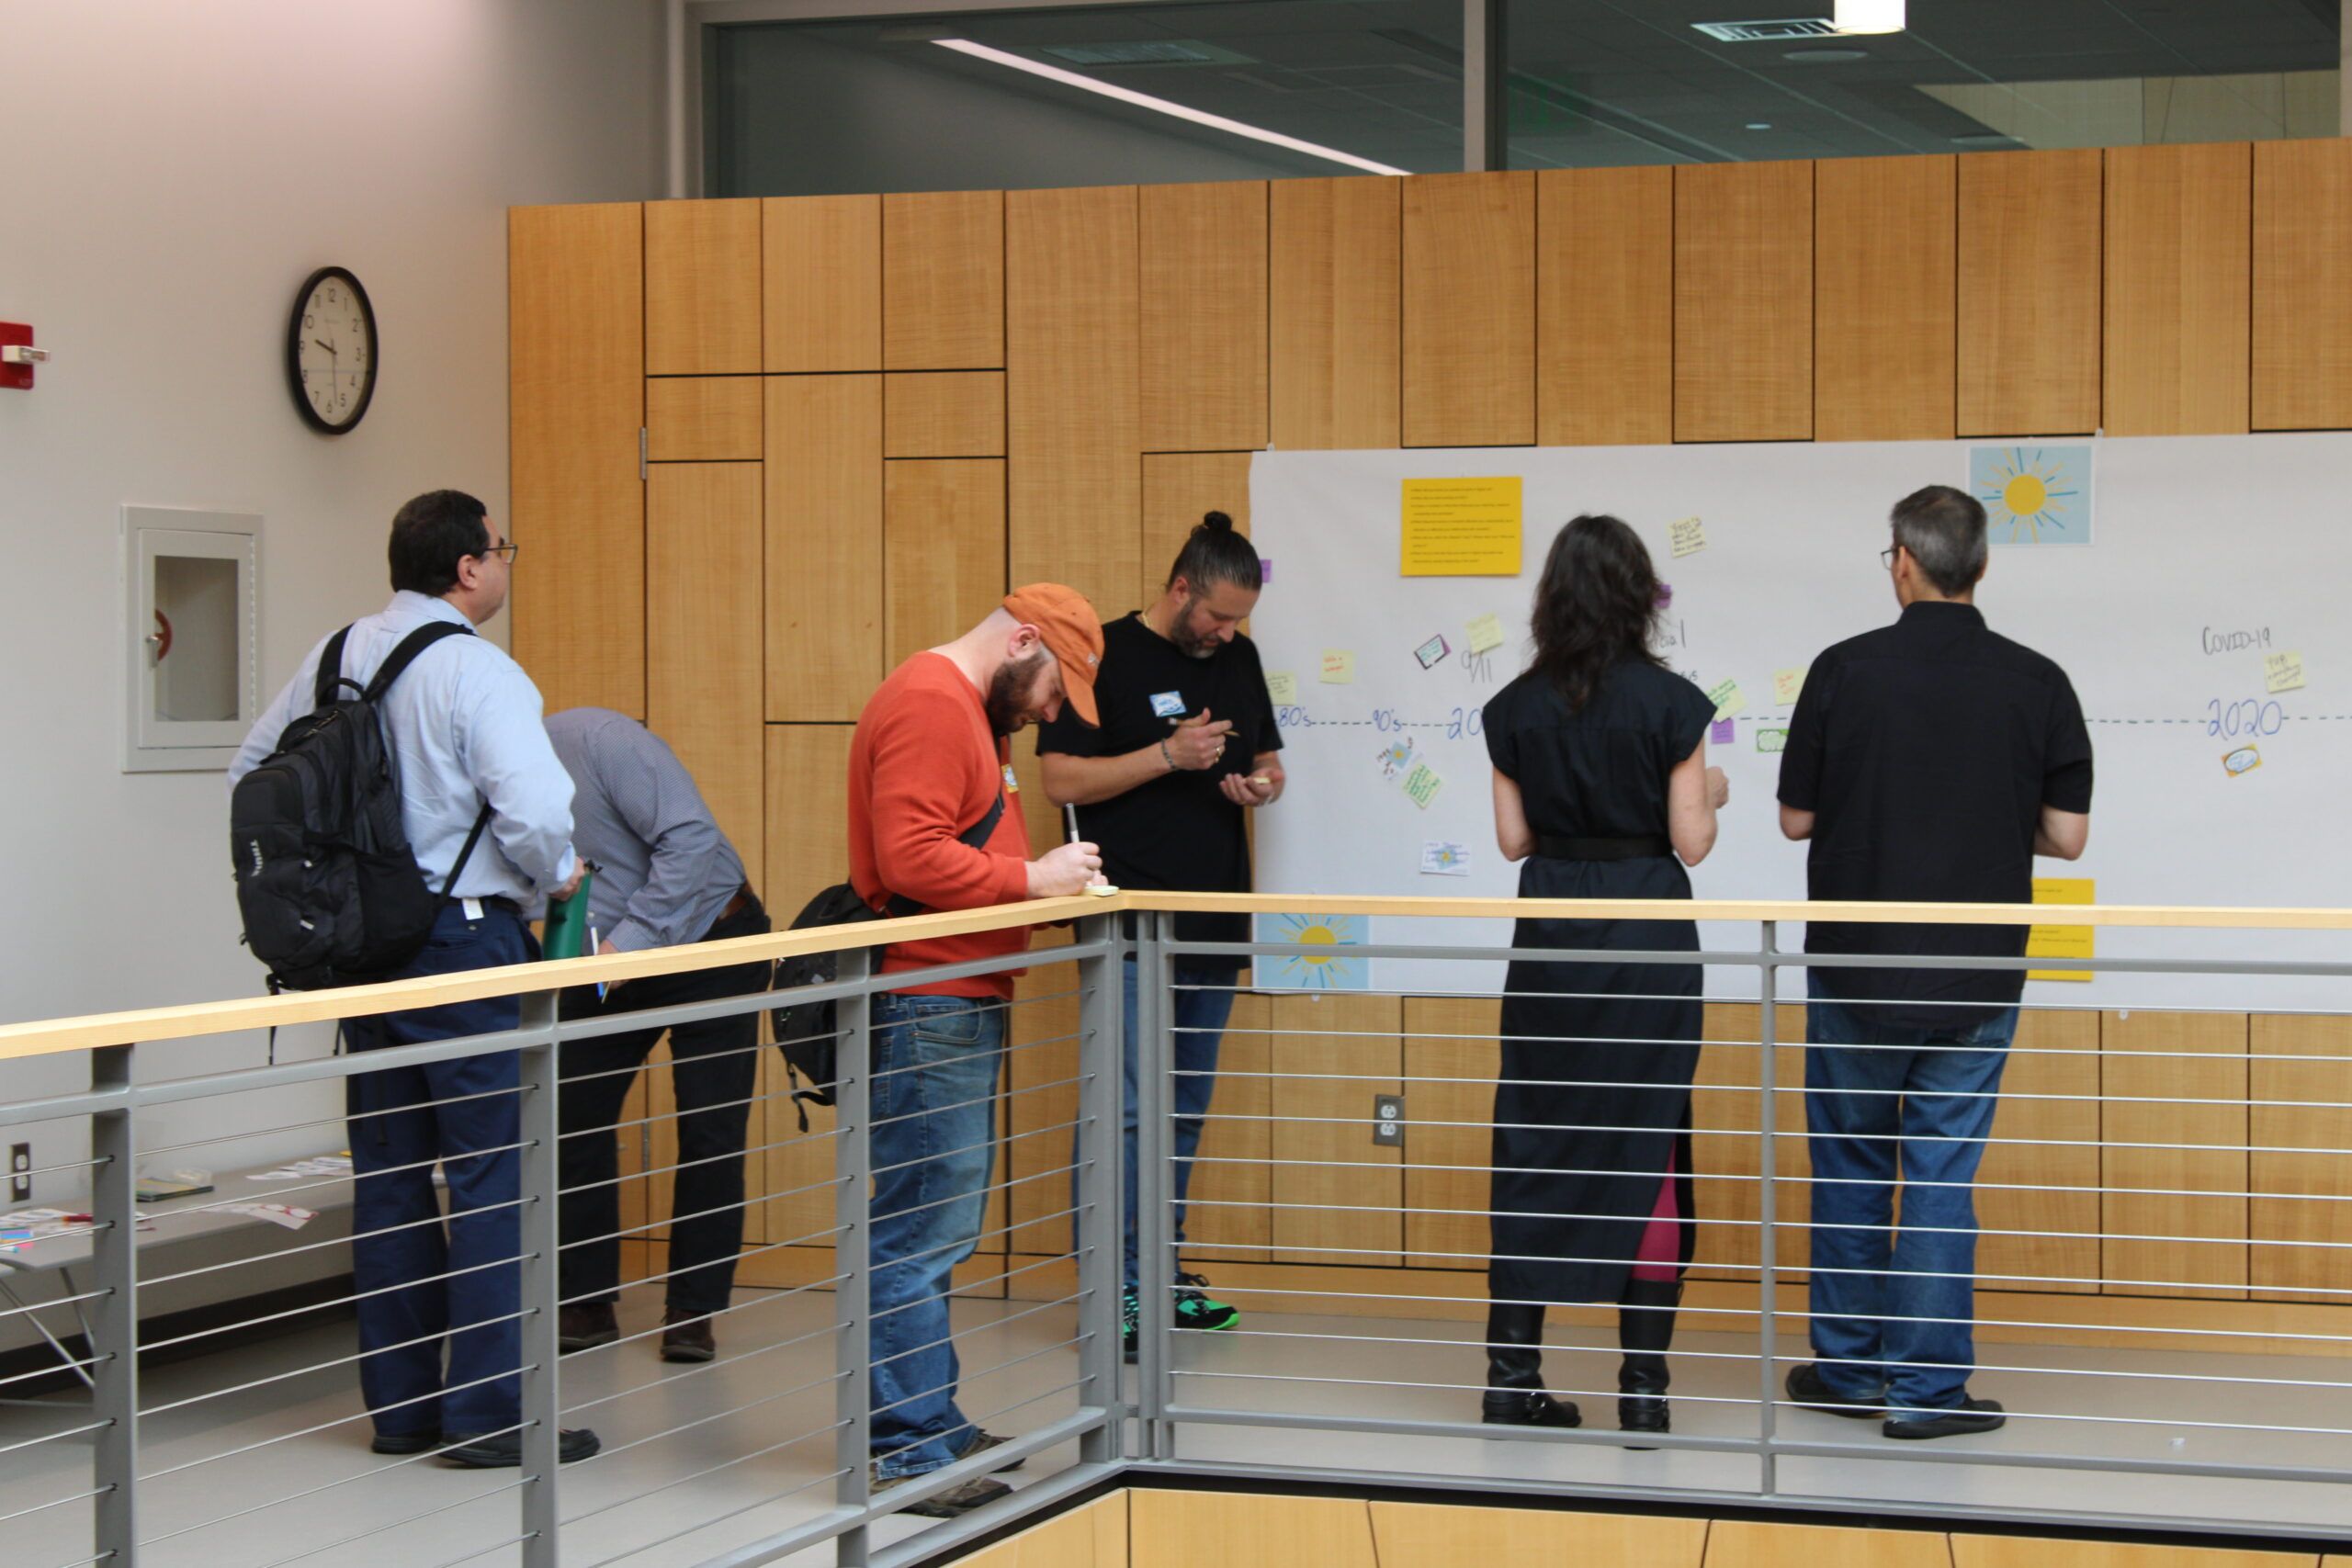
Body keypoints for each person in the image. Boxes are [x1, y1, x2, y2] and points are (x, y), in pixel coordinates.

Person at [228, 491, 600, 1468]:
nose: (505, 563)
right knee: (490, 1177)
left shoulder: (333, 655)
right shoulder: (480, 671)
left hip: (363, 955)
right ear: (468, 568)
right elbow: (536, 814)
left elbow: (250, 775)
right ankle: (489, 1418)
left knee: (390, 1181)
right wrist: (556, 878)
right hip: (464, 944)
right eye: (502, 549)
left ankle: (401, 1414)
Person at [1777, 483, 2092, 1441]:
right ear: (1980, 566)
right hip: (1976, 974)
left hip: (1853, 969)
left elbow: (1796, 818)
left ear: (1903, 563)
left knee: (1851, 1166)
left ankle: (1848, 1369)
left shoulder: (1841, 669)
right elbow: (2066, 837)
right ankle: (1925, 1392)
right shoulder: (2039, 680)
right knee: (1941, 1179)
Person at [851, 583, 1109, 1517]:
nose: (1050, 714)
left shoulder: (966, 708)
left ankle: (930, 1421)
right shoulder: (931, 702)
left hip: (951, 997)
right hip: (931, 998)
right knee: (921, 1228)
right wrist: (1034, 879)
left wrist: (1036, 884)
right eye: (1053, 691)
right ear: (1022, 642)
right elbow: (909, 856)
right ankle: (903, 1448)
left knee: (937, 1224)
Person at [1479, 514, 1726, 1438]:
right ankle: (1644, 1392)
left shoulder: (1512, 708)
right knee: (1647, 1139)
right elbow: (1692, 841)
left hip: (1551, 936)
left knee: (1534, 1139)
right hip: (1644, 937)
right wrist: (1711, 794)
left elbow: (1514, 840)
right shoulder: (1674, 704)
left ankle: (1511, 1381)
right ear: (1636, 598)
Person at [1036, 510, 1283, 1359]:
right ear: (1180, 589)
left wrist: (1259, 785)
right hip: (1128, 924)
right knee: (1127, 1109)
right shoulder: (1102, 654)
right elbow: (1058, 778)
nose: (1226, 632)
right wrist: (1165, 757)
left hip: (1213, 923)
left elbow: (1270, 762)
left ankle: (1159, 1275)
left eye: (1239, 619)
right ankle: (1113, 1292)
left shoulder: (1240, 658)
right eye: (1217, 615)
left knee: (1180, 1110)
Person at [545, 707, 772, 1366]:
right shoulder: (477, 786)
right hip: (607, 956)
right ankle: (585, 1299)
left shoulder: (599, 740)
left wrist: (629, 943)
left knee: (710, 1126)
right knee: (569, 1115)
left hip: (710, 934)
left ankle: (693, 1308)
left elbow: (692, 840)